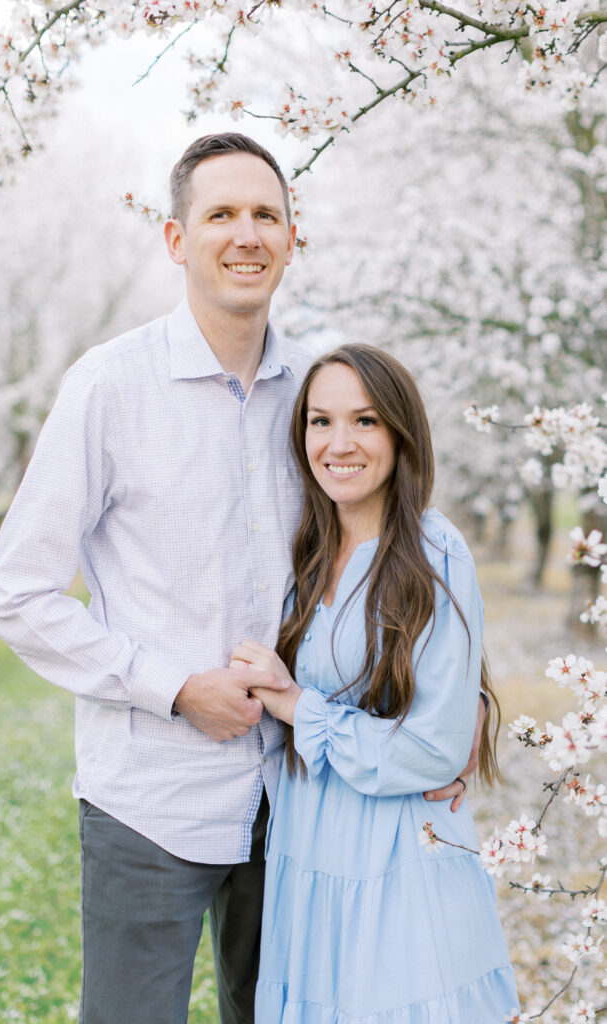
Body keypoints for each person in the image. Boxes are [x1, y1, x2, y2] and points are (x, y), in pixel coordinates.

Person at [0, 133, 484, 1024]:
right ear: (177, 239)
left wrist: (447, 720)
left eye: (265, 215)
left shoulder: (320, 401)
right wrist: (174, 688)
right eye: (220, 214)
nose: (245, 235)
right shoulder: (109, 388)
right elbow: (15, 592)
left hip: (301, 806)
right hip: (152, 804)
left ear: (293, 237)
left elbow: (388, 559)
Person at [230, 345, 518, 1023]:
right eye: (319, 422)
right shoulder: (299, 549)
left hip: (397, 860)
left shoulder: (432, 551)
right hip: (306, 853)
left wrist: (301, 707)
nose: (339, 444)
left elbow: (431, 753)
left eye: (364, 421)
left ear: (399, 432)